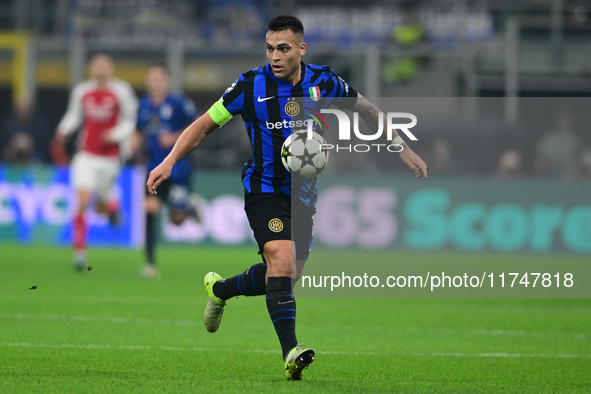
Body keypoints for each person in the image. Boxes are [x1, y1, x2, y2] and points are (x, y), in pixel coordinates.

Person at [147, 15, 427, 381]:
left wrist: (400, 146)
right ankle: (291, 353)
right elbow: (203, 126)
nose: (275, 56)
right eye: (269, 48)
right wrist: (169, 161)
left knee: (286, 276)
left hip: (303, 195)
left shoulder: (323, 80)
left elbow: (365, 109)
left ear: (300, 49)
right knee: (280, 259)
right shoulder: (249, 86)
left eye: (283, 48)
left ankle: (220, 289)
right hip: (263, 190)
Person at [53, 52, 138, 270]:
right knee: (82, 198)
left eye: (104, 65)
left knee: (100, 206)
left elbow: (130, 121)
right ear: (91, 69)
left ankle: (112, 209)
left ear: (111, 69)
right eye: (96, 65)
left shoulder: (122, 91)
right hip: (86, 155)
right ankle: (79, 252)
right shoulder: (82, 91)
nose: (100, 69)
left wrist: (116, 134)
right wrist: (62, 131)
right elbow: (74, 115)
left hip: (110, 158)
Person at [133, 63, 198, 278]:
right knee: (150, 210)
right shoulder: (143, 106)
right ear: (147, 82)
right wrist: (133, 142)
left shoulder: (178, 103)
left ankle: (188, 206)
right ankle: (150, 263)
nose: (156, 82)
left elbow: (199, 123)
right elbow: (138, 131)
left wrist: (174, 137)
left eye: (159, 78)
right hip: (154, 169)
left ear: (167, 81)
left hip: (179, 169)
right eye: (152, 78)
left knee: (177, 221)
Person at [1, 96, 52, 164]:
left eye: (26, 109)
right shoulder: (8, 125)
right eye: (21, 109)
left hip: (36, 164)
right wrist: (13, 145)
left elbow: (46, 148)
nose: (23, 112)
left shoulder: (40, 125)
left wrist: (31, 144)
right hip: (11, 164)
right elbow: (3, 147)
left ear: (32, 109)